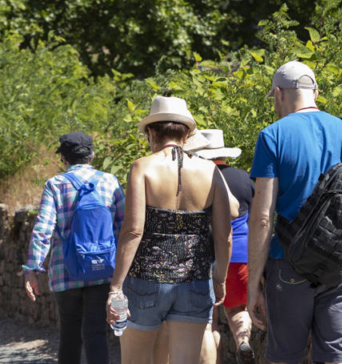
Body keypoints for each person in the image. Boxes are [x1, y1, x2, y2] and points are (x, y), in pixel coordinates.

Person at [247, 61, 342, 364]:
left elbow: (261, 218)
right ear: (316, 92)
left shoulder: (272, 136)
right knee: (338, 357)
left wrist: (252, 285)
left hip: (288, 265)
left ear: (278, 93)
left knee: (285, 357)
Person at [106, 96, 232, 364]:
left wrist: (116, 287)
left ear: (152, 132)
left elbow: (132, 231)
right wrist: (219, 279)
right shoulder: (211, 171)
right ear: (186, 134)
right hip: (195, 280)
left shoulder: (142, 167)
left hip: (145, 280)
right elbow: (224, 235)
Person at [22, 131, 125, 364]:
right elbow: (123, 228)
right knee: (96, 333)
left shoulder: (55, 184)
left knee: (69, 333)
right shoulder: (110, 181)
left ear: (64, 159)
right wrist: (122, 270)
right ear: (92, 155)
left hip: (64, 270)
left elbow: (43, 230)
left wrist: (33, 268)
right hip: (103, 270)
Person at [194, 129, 256, 364]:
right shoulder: (244, 177)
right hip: (240, 252)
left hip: (203, 255)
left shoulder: (197, 177)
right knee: (238, 308)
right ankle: (243, 342)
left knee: (209, 321)